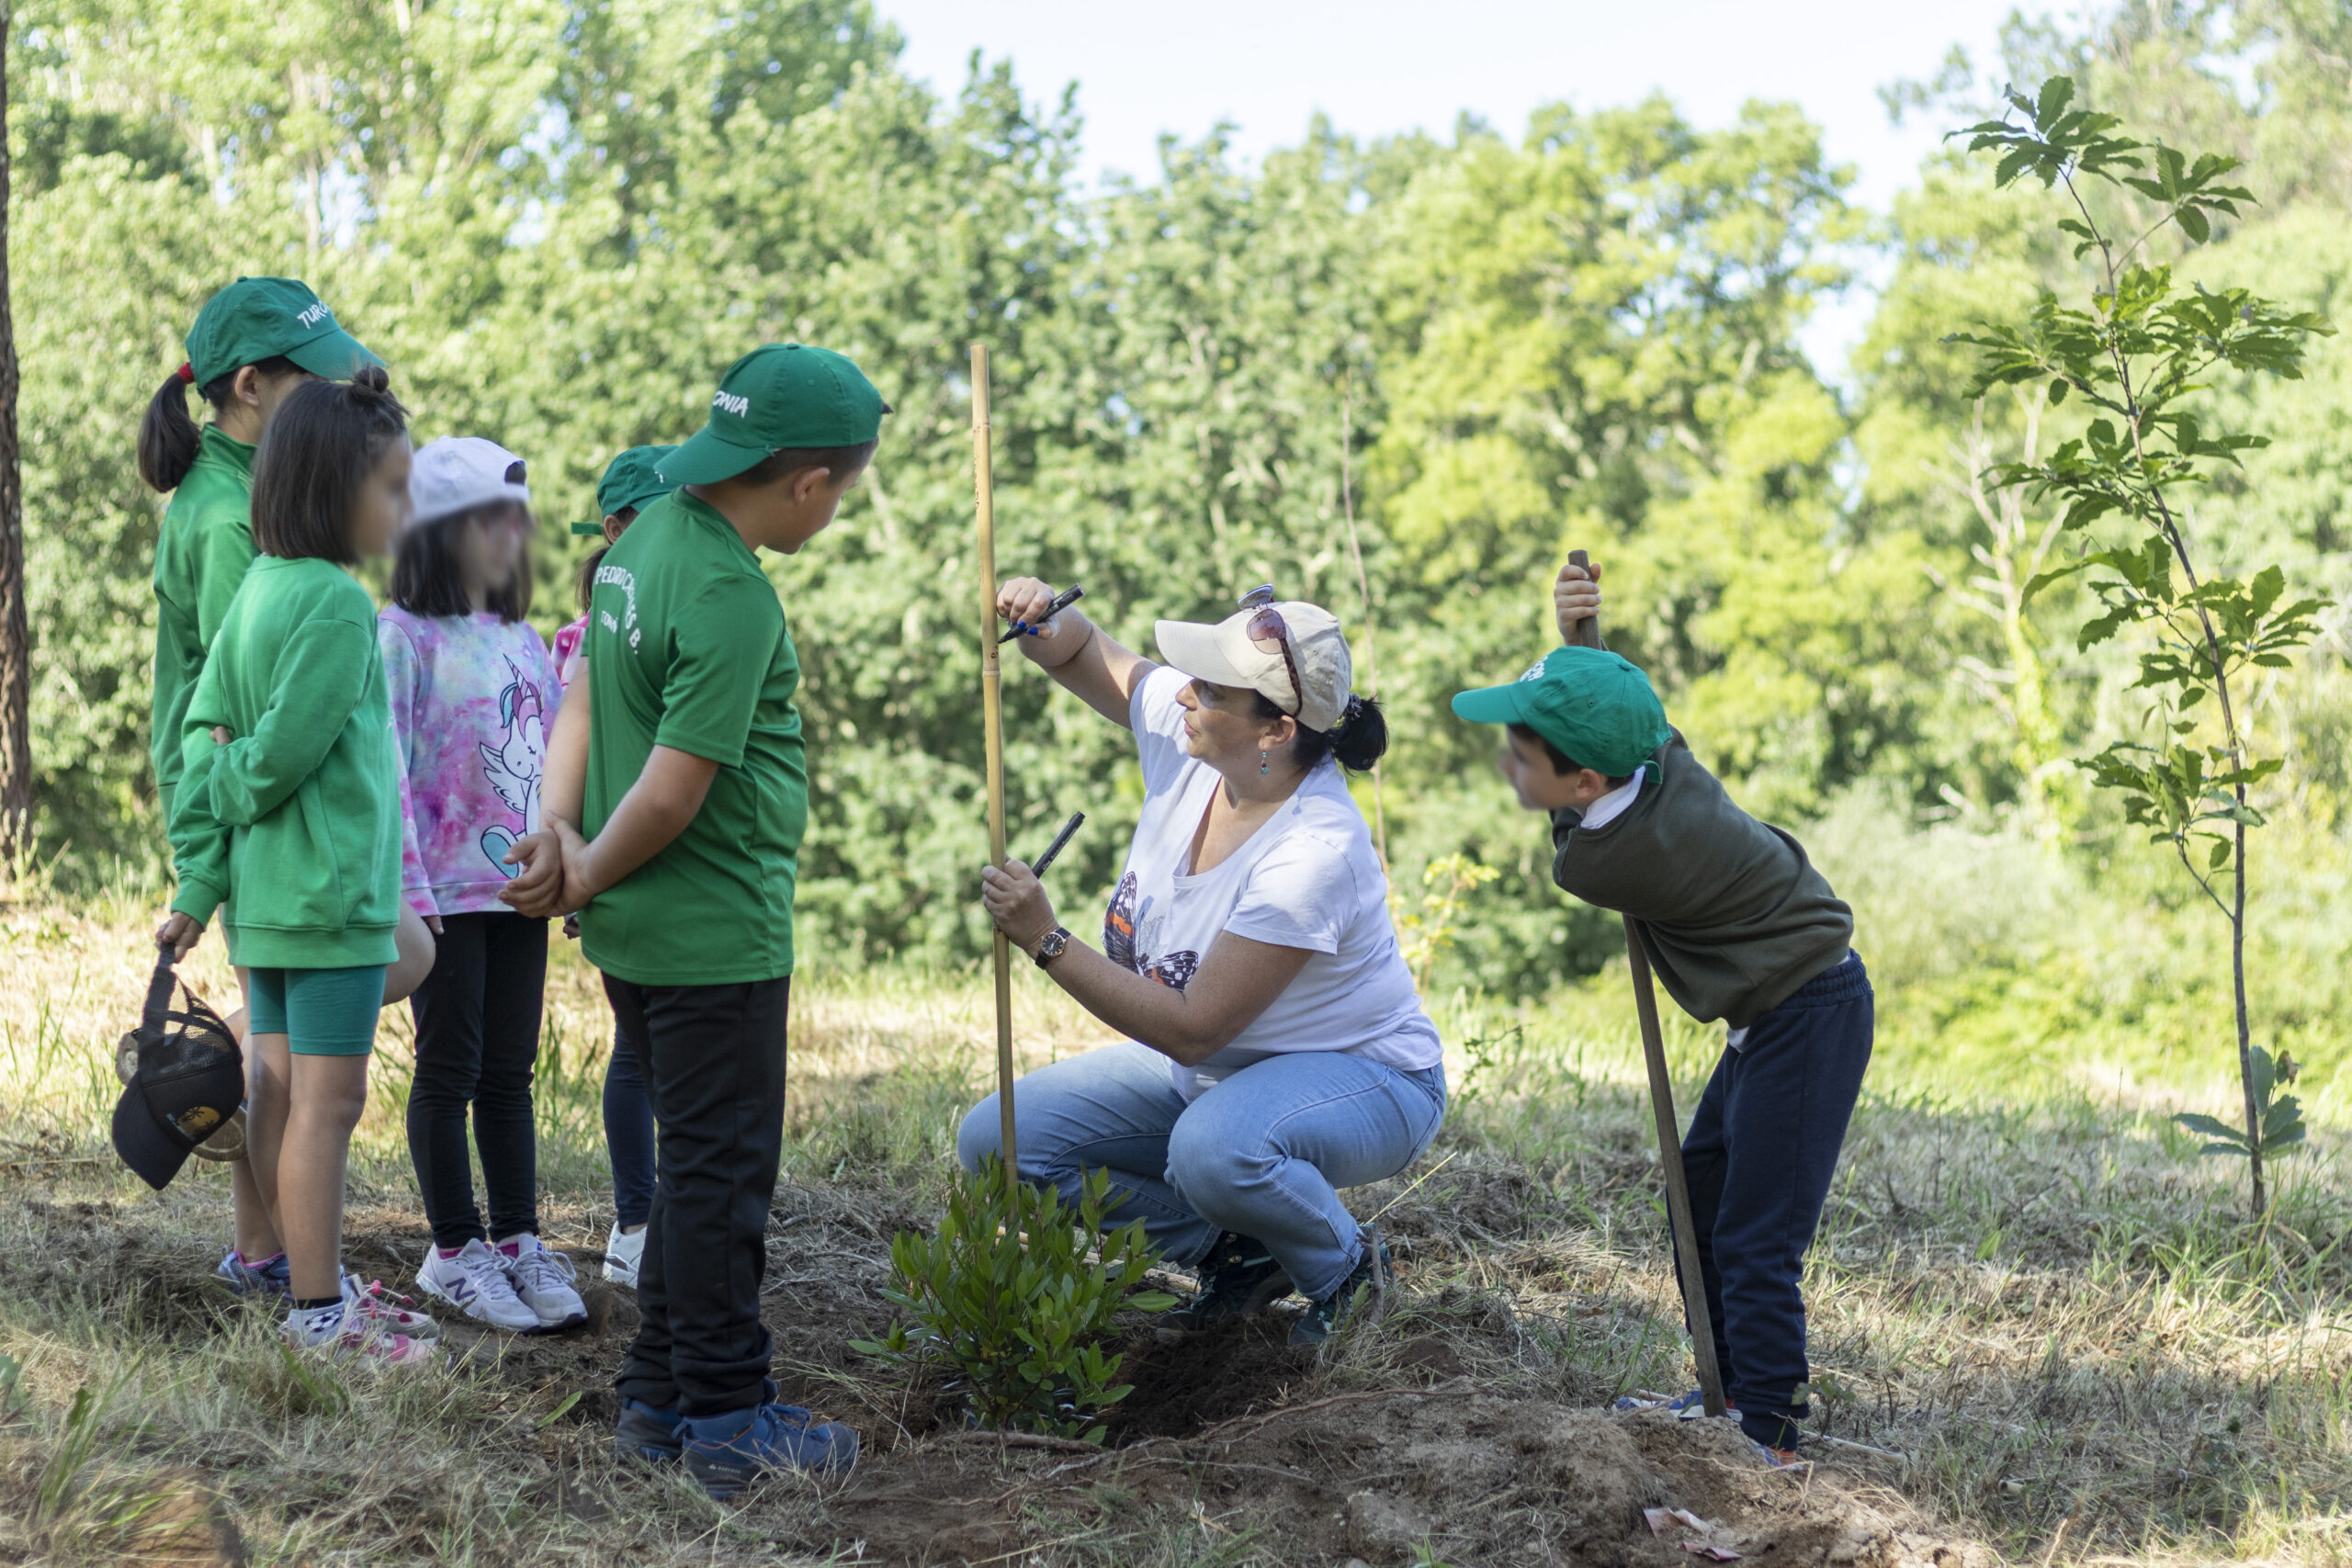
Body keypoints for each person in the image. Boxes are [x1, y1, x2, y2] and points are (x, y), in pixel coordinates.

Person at [504, 345, 880, 1495]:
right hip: (714, 932)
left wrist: (558, 830)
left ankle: (656, 1399)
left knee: (688, 1169)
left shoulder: (648, 533)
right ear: (807, 484)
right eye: (843, 491)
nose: (835, 509)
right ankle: (727, 1422)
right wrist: (580, 871)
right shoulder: (728, 590)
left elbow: (581, 695)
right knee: (721, 1183)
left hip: (638, 933)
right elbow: (672, 791)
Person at [1451, 555, 1872, 1466]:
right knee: (1700, 1194)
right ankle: (1727, 1391)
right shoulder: (1658, 759)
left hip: (1810, 1008)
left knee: (1756, 1234)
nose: (1505, 764)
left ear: (1584, 785)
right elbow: (1629, 712)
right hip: (1776, 1008)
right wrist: (1577, 645)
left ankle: (1768, 1427)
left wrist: (1580, 664)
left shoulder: (1600, 862)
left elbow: (1580, 807)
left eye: (1520, 755)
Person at [967, 581, 1447, 1348]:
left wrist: (1047, 939)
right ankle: (1238, 1250)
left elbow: (1193, 1031)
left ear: (1277, 729)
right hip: (1221, 1075)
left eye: (1213, 688)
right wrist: (1046, 620)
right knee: (998, 1143)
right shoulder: (1200, 740)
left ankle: (1347, 1271)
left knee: (1213, 1150)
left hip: (1369, 1079)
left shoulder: (1313, 850)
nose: (1185, 692)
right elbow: (1087, 650)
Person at [137, 276, 434, 1302]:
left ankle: (271, 1258)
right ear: (252, 387)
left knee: (281, 1078)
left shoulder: (256, 547)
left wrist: (211, 841)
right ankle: (305, 1284)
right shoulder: (261, 548)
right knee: (320, 1090)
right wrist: (208, 847)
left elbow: (214, 717)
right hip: (301, 863)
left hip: (264, 855)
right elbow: (266, 742)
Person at [380, 436, 584, 1334]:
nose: (512, 536)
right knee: (449, 1070)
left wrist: (567, 867)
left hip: (519, 893)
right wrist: (408, 894)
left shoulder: (521, 639)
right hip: (442, 902)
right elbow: (385, 773)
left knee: (509, 1074)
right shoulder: (400, 637)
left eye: (518, 520)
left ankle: (517, 1240)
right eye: (493, 520)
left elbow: (553, 768)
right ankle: (454, 1249)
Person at [547, 445, 675, 1289]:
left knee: (657, 1046)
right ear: (617, 529)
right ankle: (636, 1221)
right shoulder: (592, 633)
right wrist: (575, 859)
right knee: (637, 1047)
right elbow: (577, 749)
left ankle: (661, 1215)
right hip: (614, 856)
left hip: (658, 855)